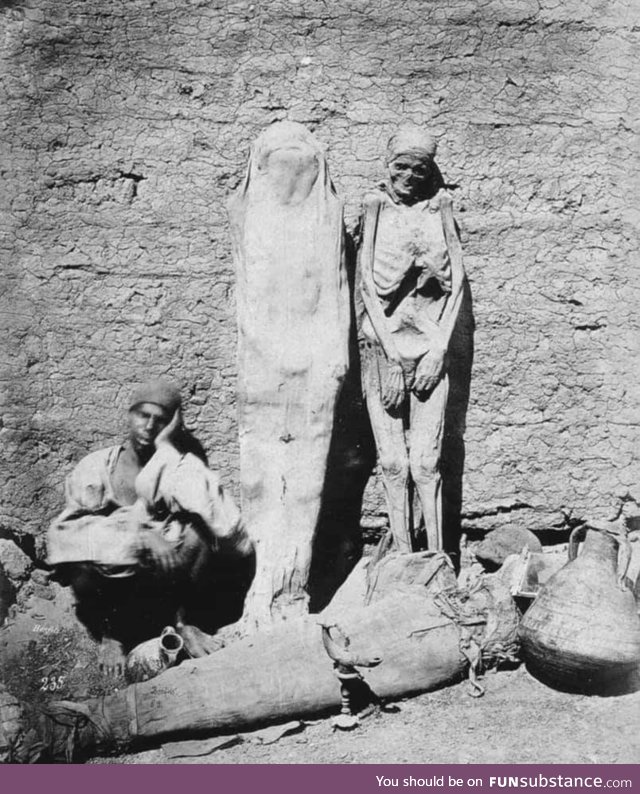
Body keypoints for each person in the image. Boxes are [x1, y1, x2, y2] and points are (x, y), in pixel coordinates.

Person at [47, 379, 253, 676]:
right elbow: (66, 532)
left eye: (161, 420)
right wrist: (139, 536)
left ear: (171, 425)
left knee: (199, 532)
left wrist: (167, 447)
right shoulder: (98, 467)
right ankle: (112, 635)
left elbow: (222, 522)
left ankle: (186, 621)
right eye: (143, 415)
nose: (149, 426)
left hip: (162, 576)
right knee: (83, 554)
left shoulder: (175, 467)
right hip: (112, 579)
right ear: (129, 415)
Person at [356, 125, 465, 553]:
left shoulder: (441, 207)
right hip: (383, 348)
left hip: (429, 349)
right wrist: (390, 356)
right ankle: (402, 558)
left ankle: (437, 560)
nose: (410, 177)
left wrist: (438, 351)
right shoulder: (376, 206)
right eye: (402, 167)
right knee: (393, 463)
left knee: (425, 463)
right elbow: (367, 285)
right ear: (388, 166)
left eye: (420, 169)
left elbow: (456, 284)